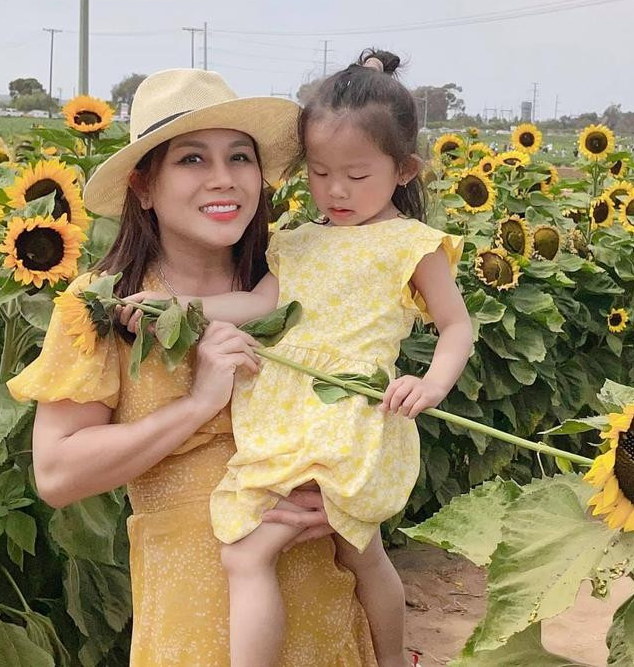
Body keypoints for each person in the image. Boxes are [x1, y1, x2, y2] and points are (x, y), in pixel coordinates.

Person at [8, 68, 377, 667]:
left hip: (321, 590)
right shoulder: (105, 304)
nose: (223, 179)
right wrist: (199, 404)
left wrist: (349, 488)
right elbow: (56, 473)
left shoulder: (297, 282)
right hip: (196, 609)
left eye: (239, 157)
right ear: (144, 186)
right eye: (191, 160)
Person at [128, 51, 472, 667]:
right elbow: (259, 305)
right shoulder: (299, 240)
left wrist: (433, 384)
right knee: (355, 553)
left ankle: (390, 660)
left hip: (348, 409)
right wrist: (171, 305)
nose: (335, 191)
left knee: (257, 552)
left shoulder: (411, 245)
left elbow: (455, 326)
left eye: (357, 176)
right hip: (288, 412)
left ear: (404, 171)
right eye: (318, 173)